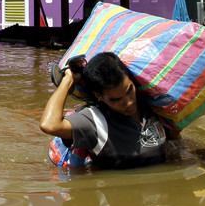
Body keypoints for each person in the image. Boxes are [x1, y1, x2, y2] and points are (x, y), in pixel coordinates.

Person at [40, 52, 179, 170]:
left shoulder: (151, 102)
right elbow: (49, 125)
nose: (129, 102)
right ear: (99, 96)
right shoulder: (94, 121)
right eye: (116, 100)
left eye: (129, 90)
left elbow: (175, 141)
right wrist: (68, 80)